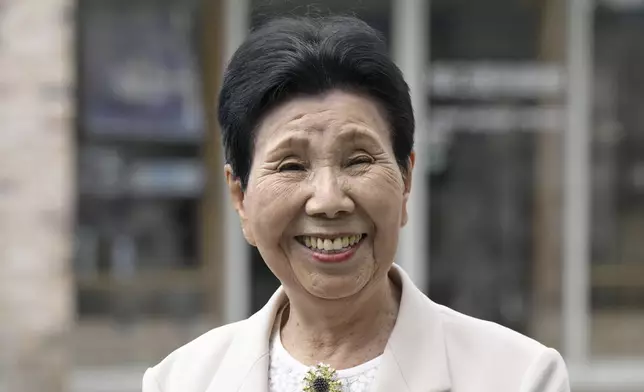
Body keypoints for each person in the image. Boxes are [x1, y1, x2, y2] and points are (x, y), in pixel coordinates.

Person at [142, 16, 570, 392]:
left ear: (405, 181)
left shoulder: (519, 377)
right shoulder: (181, 381)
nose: (329, 201)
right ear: (240, 196)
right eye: (291, 165)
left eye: (359, 160)